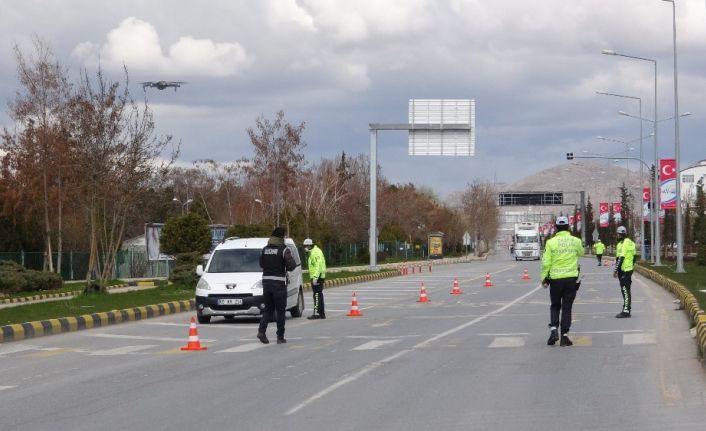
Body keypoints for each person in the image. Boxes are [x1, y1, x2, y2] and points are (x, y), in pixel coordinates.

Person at [540, 216, 584, 346]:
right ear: (568, 227)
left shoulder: (550, 242)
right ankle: (564, 336)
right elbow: (581, 253)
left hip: (555, 280)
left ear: (556, 227)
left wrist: (544, 278)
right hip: (571, 279)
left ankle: (554, 330)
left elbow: (546, 262)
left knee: (555, 306)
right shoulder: (575, 241)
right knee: (567, 307)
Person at [257, 227, 297, 345]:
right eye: (284, 236)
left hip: (266, 284)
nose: (285, 238)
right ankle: (280, 337)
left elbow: (261, 263)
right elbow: (291, 266)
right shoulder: (284, 250)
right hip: (279, 285)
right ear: (281, 237)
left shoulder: (264, 249)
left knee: (268, 310)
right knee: (280, 311)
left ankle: (261, 332)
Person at [614, 226, 636, 318]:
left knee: (625, 291)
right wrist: (631, 266)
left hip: (624, 270)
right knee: (626, 290)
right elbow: (634, 257)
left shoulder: (624, 244)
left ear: (620, 234)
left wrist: (615, 270)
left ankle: (626, 310)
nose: (617, 235)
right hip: (629, 269)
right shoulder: (630, 242)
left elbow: (620, 258)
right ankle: (627, 308)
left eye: (618, 234)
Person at [303, 238, 327, 320]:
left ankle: (317, 313)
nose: (304, 247)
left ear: (309, 245)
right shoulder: (313, 252)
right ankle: (321, 313)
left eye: (305, 246)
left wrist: (315, 277)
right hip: (317, 276)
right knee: (318, 294)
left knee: (316, 295)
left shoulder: (315, 252)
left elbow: (318, 265)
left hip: (317, 277)